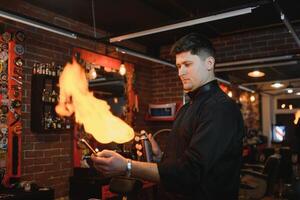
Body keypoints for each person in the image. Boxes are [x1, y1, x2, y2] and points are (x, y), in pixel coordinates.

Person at [91, 33, 245, 200]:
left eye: (187, 64)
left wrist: (127, 166)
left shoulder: (220, 109)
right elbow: (183, 159)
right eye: (179, 66)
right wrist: (160, 156)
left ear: (209, 63)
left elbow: (190, 172)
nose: (181, 72)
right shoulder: (186, 109)